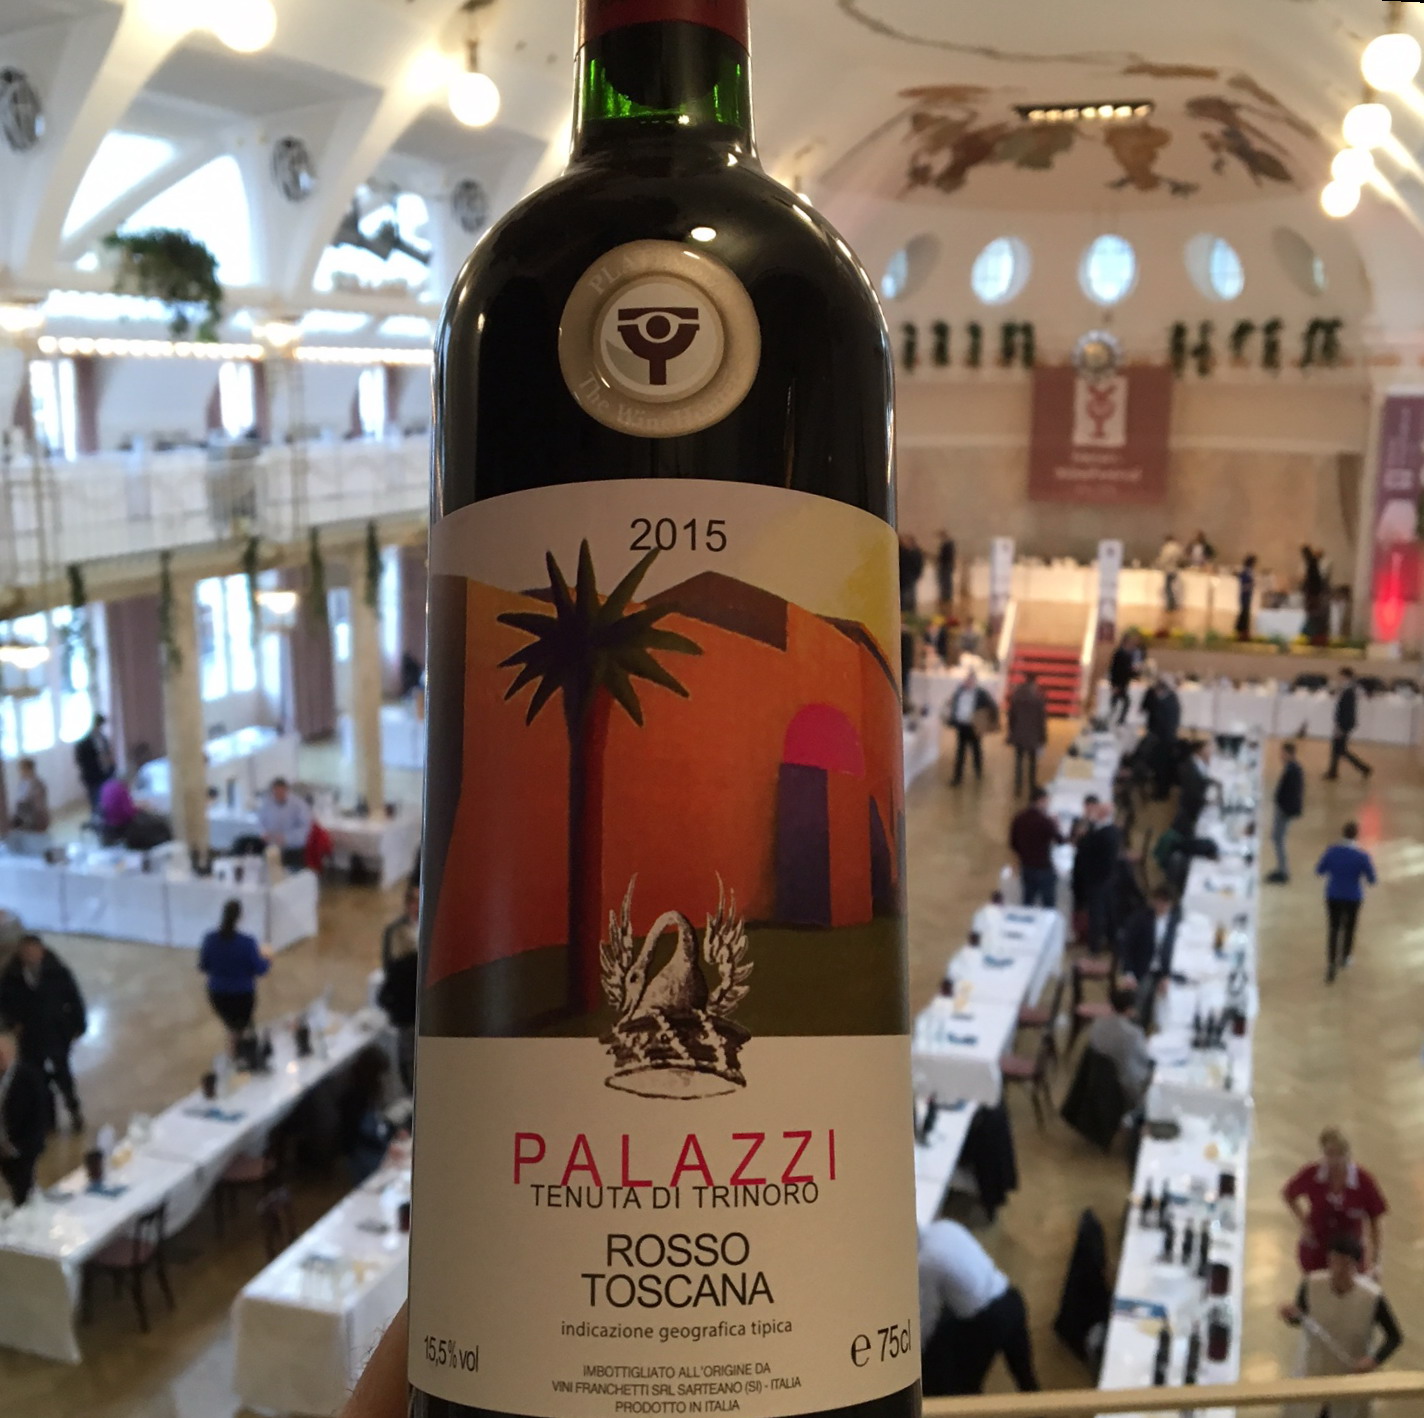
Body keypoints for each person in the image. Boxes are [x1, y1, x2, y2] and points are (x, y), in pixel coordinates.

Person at [1280, 1235, 1401, 1418]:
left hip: (1351, 1373)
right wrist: (1290, 1315)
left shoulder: (1372, 1297)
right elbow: (1301, 1319)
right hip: (1314, 1369)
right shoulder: (1311, 1284)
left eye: (1345, 1264)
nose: (1338, 1269)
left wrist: (1374, 1360)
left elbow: (1395, 1336)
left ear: (1356, 1265)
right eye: (1334, 1262)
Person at [919, 1219, 1040, 1397]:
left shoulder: (924, 1263)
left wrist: (916, 1354)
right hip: (1010, 1298)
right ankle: (1043, 1408)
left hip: (987, 1321)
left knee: (965, 1388)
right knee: (1025, 1376)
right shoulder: (945, 1227)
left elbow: (928, 1315)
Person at [0, 934, 86, 1132]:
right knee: (37, 1081)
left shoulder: (57, 972)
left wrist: (78, 1025)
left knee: (63, 1076)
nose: (30, 955)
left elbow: (73, 998)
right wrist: (13, 1024)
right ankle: (47, 1120)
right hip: (30, 1038)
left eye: (34, 951)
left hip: (55, 1033)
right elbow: (4, 1004)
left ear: (41, 951)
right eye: (26, 952)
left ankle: (74, 1111)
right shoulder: (12, 977)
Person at [1283, 1128, 1388, 1276]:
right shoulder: (1312, 1174)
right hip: (1317, 1251)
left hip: (1350, 1256)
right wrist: (1303, 1222)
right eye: (1329, 1154)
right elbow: (1289, 1193)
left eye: (1340, 1154)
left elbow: (1376, 1219)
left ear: (1348, 1154)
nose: (1335, 1160)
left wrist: (1376, 1262)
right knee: (1316, 1286)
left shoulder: (1363, 1181)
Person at [198, 899, 272, 1045]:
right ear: (240, 917)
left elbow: (203, 966)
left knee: (230, 1026)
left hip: (218, 994)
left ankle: (234, 1047)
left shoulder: (210, 939)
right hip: (242, 995)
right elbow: (260, 970)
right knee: (245, 1028)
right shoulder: (247, 942)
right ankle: (245, 1050)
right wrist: (268, 959)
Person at [1315, 822, 1376, 983]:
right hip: (1353, 897)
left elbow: (1319, 870)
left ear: (1342, 833)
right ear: (1356, 835)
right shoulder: (1362, 856)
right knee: (1349, 927)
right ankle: (1345, 957)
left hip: (1333, 895)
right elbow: (1372, 879)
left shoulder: (1332, 851)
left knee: (1333, 928)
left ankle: (1331, 964)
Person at [0, 1029, 50, 1206]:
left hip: (22, 1146)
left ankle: (27, 1210)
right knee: (12, 1182)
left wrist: (24, 1146)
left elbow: (39, 1113)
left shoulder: (28, 1077)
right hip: (3, 1147)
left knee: (23, 1186)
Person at [1119, 884, 1180, 1028]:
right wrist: (1128, 973)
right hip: (1143, 968)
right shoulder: (1140, 919)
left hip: (1164, 970)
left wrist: (1167, 975)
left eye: (1165, 903)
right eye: (1159, 901)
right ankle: (1136, 1030)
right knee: (1140, 1002)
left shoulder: (1175, 922)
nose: (1162, 906)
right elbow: (1126, 947)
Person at [1086, 988, 1154, 1110]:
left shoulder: (1097, 1023)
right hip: (1125, 1083)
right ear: (1129, 1010)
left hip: (1099, 1079)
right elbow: (1145, 1057)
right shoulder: (1133, 1033)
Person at [1072, 797, 1122, 952]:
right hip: (1107, 877)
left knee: (1096, 913)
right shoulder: (1112, 831)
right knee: (1108, 910)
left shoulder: (1103, 834)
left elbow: (1086, 847)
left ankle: (1094, 946)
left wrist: (1083, 836)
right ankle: (1112, 940)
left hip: (1097, 878)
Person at [1009, 788, 1062, 908]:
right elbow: (1060, 840)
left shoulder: (1019, 818)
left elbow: (1013, 843)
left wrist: (1023, 855)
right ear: (1041, 800)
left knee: (1028, 901)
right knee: (1048, 904)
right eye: (1047, 801)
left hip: (1026, 866)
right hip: (1043, 867)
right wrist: (1056, 825)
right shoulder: (1045, 821)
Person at [945, 671, 997, 787]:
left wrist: (988, 721)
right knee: (960, 752)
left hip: (974, 726)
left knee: (976, 750)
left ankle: (978, 771)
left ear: (974, 682)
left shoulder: (981, 693)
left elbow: (992, 706)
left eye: (971, 680)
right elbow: (954, 704)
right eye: (967, 680)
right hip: (962, 725)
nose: (968, 682)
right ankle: (957, 777)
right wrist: (953, 718)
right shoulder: (959, 692)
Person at [257, 777, 314, 871]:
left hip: (292, 850)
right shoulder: (267, 803)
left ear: (287, 790)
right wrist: (263, 832)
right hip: (272, 848)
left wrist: (287, 838)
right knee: (272, 874)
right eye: (275, 793)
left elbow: (305, 829)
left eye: (281, 792)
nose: (278, 795)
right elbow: (260, 821)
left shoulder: (298, 804)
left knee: (292, 876)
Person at [1268, 741, 1305, 884]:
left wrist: (1282, 805)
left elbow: (1292, 792)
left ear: (1289, 754)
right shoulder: (1293, 768)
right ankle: (1281, 868)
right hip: (1285, 808)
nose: (1281, 756)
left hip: (1285, 810)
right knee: (1277, 838)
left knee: (1278, 839)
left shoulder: (1293, 770)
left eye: (1283, 753)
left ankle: (1283, 871)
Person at [1006, 673, 1048, 796]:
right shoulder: (1038, 697)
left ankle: (1018, 787)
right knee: (1032, 762)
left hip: (1019, 734)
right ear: (1034, 682)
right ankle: (1031, 786)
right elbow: (1041, 720)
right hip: (1033, 736)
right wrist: (1043, 737)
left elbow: (1011, 716)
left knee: (1019, 761)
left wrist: (1011, 731)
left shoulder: (1016, 695)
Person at [1325, 668, 1371, 781]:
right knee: (1337, 749)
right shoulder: (1347, 689)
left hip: (1344, 724)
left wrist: (1340, 726)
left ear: (1346, 677)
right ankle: (1333, 772)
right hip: (1344, 723)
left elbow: (1347, 711)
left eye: (1341, 676)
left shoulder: (1349, 691)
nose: (1339, 678)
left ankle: (1364, 768)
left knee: (1340, 749)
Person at [74, 712, 116, 812]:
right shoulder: (84, 743)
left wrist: (112, 767)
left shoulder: (103, 738)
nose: (100, 728)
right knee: (95, 800)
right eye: (98, 725)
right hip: (93, 776)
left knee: (107, 799)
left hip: (106, 773)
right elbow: (80, 761)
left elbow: (108, 754)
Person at [1172, 738, 1212, 838]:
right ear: (1200, 750)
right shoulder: (1191, 767)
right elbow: (1194, 794)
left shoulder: (1197, 762)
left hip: (1192, 800)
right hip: (1191, 806)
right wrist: (1208, 801)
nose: (1210, 752)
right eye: (1207, 749)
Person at [382, 881, 420, 968]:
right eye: (415, 902)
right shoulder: (396, 929)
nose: (418, 906)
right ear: (409, 904)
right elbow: (394, 959)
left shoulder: (433, 929)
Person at [1107, 631, 1141, 725]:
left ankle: (1116, 719)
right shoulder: (1120, 653)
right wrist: (1114, 684)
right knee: (1123, 701)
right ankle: (1117, 719)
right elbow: (1115, 670)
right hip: (1119, 682)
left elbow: (1126, 670)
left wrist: (1133, 673)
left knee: (1119, 701)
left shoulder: (1127, 654)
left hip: (1123, 682)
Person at [10, 759, 50, 836]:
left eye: (23, 769)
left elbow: (39, 805)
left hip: (34, 816)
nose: (21, 772)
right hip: (24, 812)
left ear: (30, 770)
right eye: (20, 770)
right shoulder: (22, 782)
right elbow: (20, 798)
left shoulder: (38, 784)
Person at [1156, 533, 1184, 614]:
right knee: (1171, 587)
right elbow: (1181, 558)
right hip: (1175, 570)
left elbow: (1163, 559)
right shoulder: (1178, 547)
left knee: (1167, 588)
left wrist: (1158, 565)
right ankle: (1173, 604)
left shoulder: (1166, 548)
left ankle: (1170, 605)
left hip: (1168, 570)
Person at [898, 533, 924, 614]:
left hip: (909, 578)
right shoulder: (903, 551)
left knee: (909, 597)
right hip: (904, 578)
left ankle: (909, 613)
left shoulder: (914, 552)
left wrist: (916, 575)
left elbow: (918, 565)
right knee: (904, 597)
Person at [1236, 554, 1257, 639]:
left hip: (1248, 595)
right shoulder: (1245, 572)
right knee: (1244, 613)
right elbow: (1243, 583)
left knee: (1246, 613)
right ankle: (1242, 631)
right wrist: (1250, 585)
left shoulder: (1250, 572)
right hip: (1244, 595)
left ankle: (1245, 631)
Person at [935, 532, 956, 608]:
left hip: (946, 565)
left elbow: (945, 556)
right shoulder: (949, 545)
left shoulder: (947, 545)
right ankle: (946, 597)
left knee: (946, 582)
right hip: (946, 565)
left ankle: (946, 597)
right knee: (946, 582)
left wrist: (939, 559)